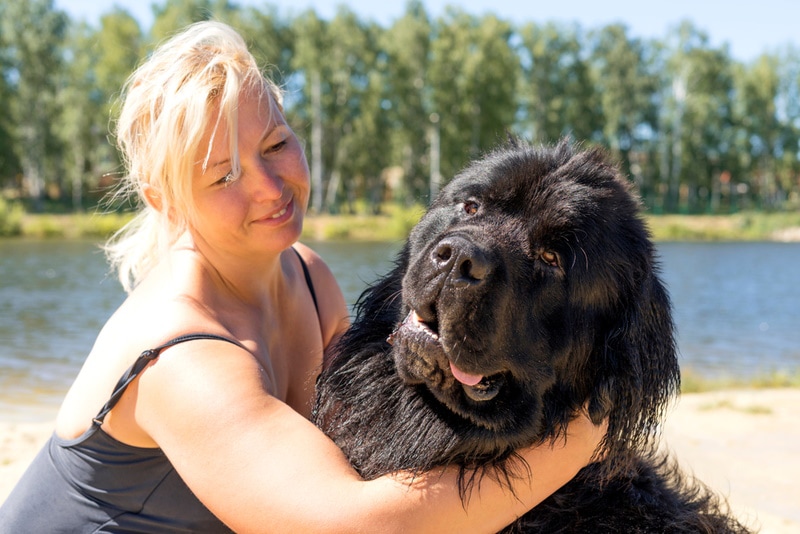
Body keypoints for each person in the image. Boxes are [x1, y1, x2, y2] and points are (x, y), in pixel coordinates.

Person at [0, 21, 605, 533]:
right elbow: (356, 524)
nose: (268, 187)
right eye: (223, 176)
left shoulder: (308, 276)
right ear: (165, 200)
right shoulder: (181, 353)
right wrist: (576, 444)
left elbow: (363, 432)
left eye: (275, 144)